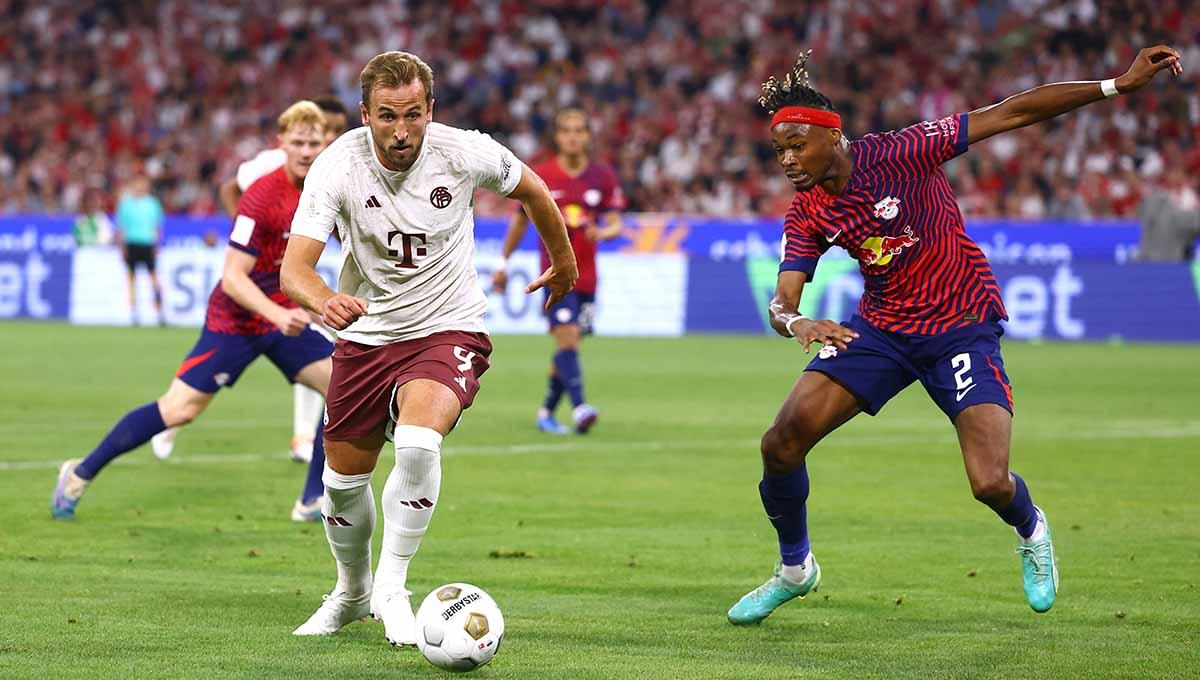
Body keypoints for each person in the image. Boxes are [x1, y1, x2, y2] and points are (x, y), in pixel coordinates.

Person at [727, 46, 1183, 625]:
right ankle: (796, 569)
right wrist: (798, 321)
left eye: (797, 145)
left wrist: (1115, 85)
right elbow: (781, 302)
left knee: (989, 482)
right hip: (882, 331)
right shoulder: (807, 210)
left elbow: (1011, 112)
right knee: (780, 443)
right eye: (779, 151)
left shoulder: (903, 151)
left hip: (960, 324)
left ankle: (1031, 527)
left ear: (833, 136)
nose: (788, 160)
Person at [281, 51, 576, 644]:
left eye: (413, 114)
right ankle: (351, 592)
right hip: (367, 334)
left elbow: (535, 190)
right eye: (387, 116)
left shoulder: (462, 151)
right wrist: (324, 300)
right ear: (364, 114)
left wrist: (563, 260)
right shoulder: (337, 165)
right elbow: (295, 270)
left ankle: (392, 586)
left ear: (430, 110)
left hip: (447, 324)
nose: (401, 130)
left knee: (418, 443)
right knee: (342, 484)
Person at [51, 101, 336, 523]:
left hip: (282, 315)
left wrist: (312, 304)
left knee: (341, 387)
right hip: (237, 321)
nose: (307, 151)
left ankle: (312, 497)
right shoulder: (262, 196)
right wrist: (278, 315)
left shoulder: (322, 192)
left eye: (314, 143)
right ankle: (78, 473)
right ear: (282, 143)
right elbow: (233, 278)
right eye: (299, 142)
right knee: (179, 409)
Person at [151, 97, 351, 463]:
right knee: (196, 390)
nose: (332, 137)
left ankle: (305, 441)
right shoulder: (273, 164)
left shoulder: (335, 167)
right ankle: (172, 417)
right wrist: (250, 236)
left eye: (338, 130)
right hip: (256, 283)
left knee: (330, 359)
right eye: (329, 129)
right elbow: (231, 189)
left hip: (288, 276)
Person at [492, 108, 625, 435]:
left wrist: (602, 232)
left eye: (579, 130)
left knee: (570, 345)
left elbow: (616, 224)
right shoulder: (542, 175)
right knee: (567, 337)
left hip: (588, 279)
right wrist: (503, 263)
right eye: (566, 130)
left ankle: (546, 413)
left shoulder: (602, 176)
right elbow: (519, 222)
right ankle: (580, 408)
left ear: (588, 136)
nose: (573, 137)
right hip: (555, 278)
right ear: (557, 136)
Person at [115, 175, 165, 325]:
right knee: (131, 279)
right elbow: (121, 228)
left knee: (154, 278)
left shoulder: (153, 204)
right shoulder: (126, 205)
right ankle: (134, 312)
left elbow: (158, 227)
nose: (140, 187)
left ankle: (159, 312)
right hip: (131, 244)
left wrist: (157, 245)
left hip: (147, 244)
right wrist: (122, 247)